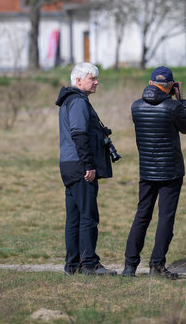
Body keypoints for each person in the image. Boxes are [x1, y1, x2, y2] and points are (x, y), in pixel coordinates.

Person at [122, 66, 186, 279]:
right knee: (165, 218)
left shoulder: (135, 106)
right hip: (170, 172)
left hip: (146, 171)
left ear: (150, 82)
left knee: (141, 216)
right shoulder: (173, 107)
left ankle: (129, 266)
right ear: (172, 86)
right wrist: (183, 101)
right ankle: (157, 265)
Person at [55, 62, 116, 276]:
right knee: (88, 216)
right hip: (80, 166)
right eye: (92, 78)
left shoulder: (68, 101)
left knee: (74, 218)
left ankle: (72, 266)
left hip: (68, 164)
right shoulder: (78, 101)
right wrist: (89, 165)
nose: (97, 82)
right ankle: (90, 264)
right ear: (78, 81)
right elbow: (79, 134)